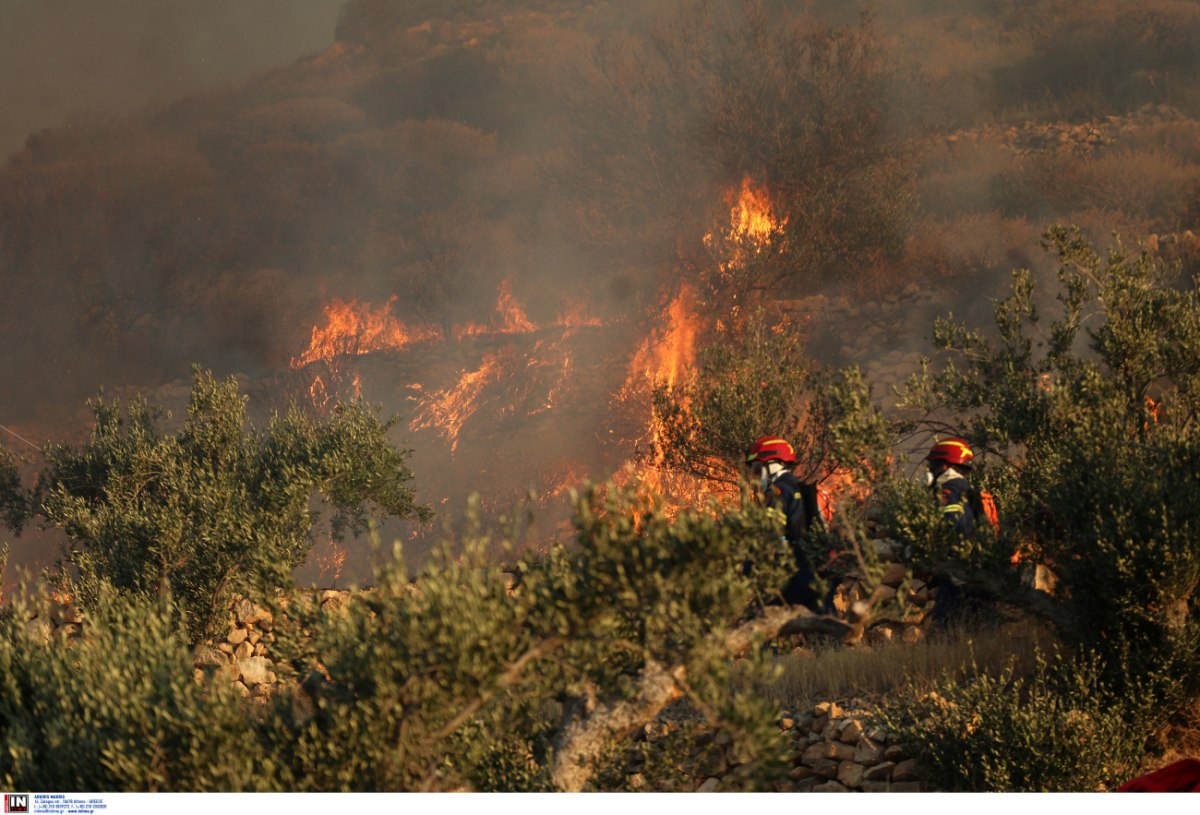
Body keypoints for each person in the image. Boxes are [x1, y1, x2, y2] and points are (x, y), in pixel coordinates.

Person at [745, 436, 823, 612]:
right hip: (814, 564)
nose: (756, 476)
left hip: (797, 568)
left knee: (762, 618)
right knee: (822, 621)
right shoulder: (797, 486)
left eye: (757, 469)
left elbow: (770, 533)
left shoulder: (778, 491)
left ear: (771, 465)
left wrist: (747, 566)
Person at [924, 436, 976, 536]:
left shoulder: (947, 491)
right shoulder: (963, 488)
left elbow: (954, 525)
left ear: (944, 466)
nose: (930, 469)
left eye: (933, 464)